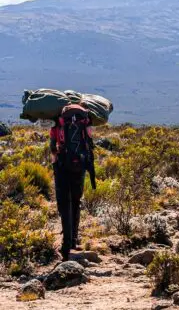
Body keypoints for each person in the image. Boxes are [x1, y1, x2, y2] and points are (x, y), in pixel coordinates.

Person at [50, 104, 96, 261]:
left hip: (62, 167)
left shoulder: (58, 123)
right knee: (76, 201)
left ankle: (66, 242)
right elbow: (90, 141)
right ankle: (74, 241)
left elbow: (52, 148)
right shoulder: (85, 121)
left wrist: (55, 162)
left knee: (65, 203)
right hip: (80, 166)